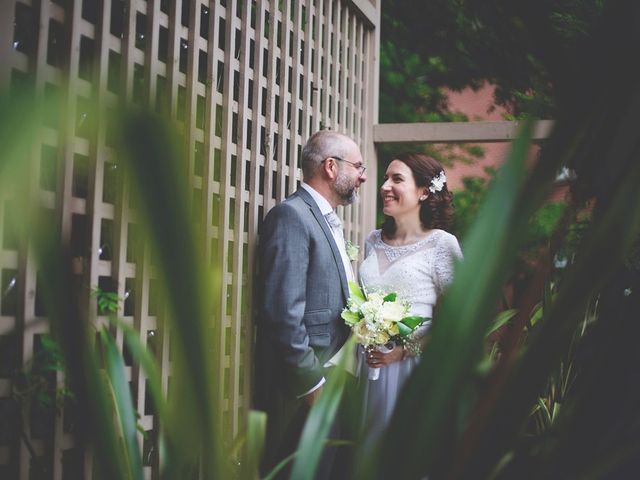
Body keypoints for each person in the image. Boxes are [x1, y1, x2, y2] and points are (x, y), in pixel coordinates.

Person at [254, 130, 367, 478]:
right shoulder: (292, 216)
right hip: (309, 384)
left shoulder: (325, 219)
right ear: (331, 167)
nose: (363, 175)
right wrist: (311, 385)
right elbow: (281, 311)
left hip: (338, 379)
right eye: (358, 166)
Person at [358, 152, 462, 440]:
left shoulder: (442, 244)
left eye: (397, 179)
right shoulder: (372, 240)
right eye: (385, 178)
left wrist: (403, 352)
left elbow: (458, 318)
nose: (384, 186)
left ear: (424, 192)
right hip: (367, 366)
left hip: (412, 369)